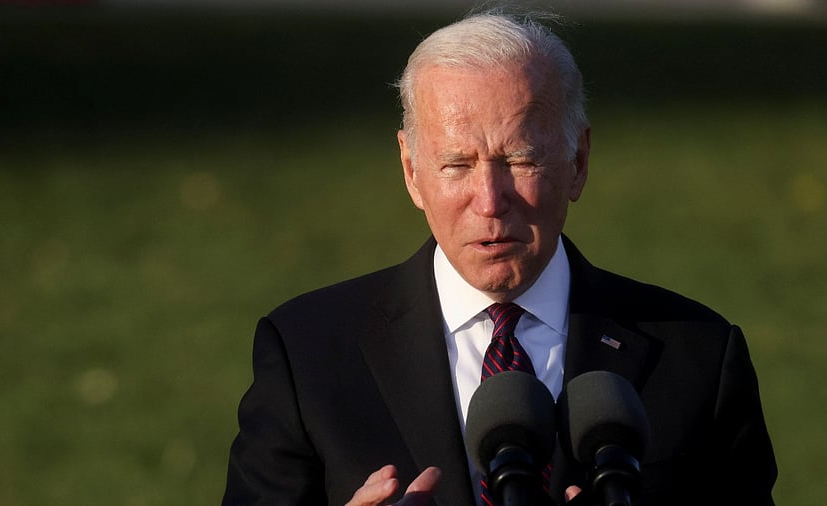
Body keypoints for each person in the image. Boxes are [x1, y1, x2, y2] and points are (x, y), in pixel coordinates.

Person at [222, 9, 777, 506]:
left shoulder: (699, 356)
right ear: (411, 171)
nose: (490, 201)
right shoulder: (307, 354)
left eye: (521, 159)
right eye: (456, 165)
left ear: (578, 161)